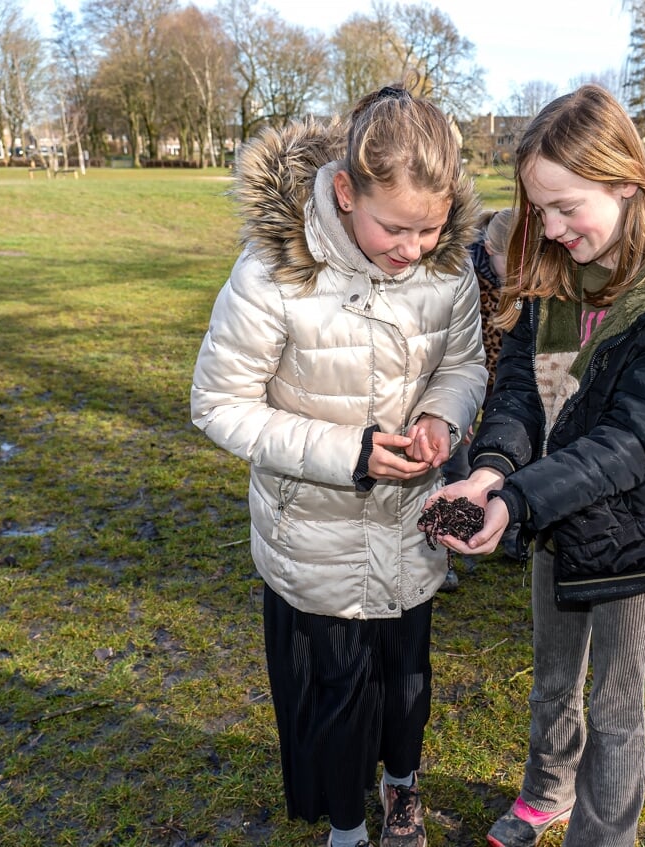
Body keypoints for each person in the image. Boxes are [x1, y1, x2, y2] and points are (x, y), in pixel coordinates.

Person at [429, 84, 645, 847]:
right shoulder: (551, 271)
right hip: (547, 511)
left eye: (567, 206)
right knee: (550, 677)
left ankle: (606, 835)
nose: (550, 227)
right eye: (538, 209)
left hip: (636, 530)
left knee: (613, 702)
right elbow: (516, 390)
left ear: (625, 183)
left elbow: (637, 438)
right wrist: (489, 470)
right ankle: (547, 789)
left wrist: (517, 498)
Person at [189, 84, 488, 847]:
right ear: (347, 191)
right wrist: (346, 454)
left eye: (430, 227)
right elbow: (219, 404)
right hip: (314, 540)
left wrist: (438, 417)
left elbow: (465, 365)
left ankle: (402, 792)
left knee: (407, 686)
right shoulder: (271, 273)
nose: (413, 246)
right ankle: (348, 827)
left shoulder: (445, 267)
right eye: (395, 227)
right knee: (336, 693)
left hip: (410, 533)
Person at [440, 208, 519, 590]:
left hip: (513, 385)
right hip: (467, 381)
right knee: (455, 463)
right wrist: (458, 406)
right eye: (512, 261)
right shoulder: (459, 275)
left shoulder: (534, 276)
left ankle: (512, 531)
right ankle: (445, 550)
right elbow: (450, 347)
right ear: (489, 248)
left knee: (510, 458)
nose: (519, 273)